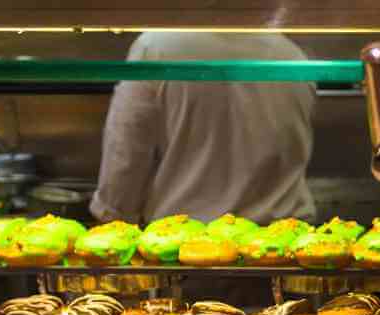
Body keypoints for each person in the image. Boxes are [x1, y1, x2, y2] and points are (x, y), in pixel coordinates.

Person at [91, 32, 315, 225]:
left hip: (185, 248)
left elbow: (125, 158)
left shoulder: (156, 48)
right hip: (282, 249)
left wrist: (112, 220)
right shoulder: (293, 56)